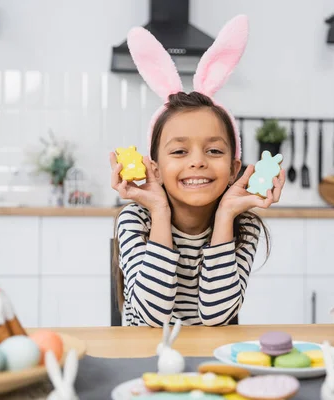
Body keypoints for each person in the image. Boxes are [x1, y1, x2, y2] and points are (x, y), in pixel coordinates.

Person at [109, 15, 285, 327]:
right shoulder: (135, 219)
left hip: (210, 362)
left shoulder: (243, 226)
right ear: (156, 169)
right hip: (142, 358)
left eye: (214, 150)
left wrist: (225, 216)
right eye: (179, 151)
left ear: (233, 169)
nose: (197, 161)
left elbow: (217, 317)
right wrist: (160, 212)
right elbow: (152, 319)